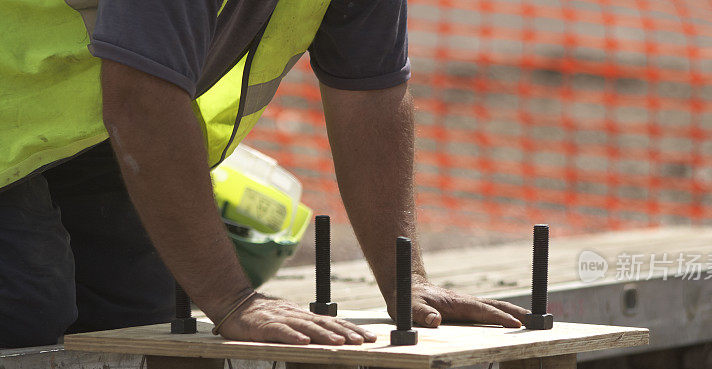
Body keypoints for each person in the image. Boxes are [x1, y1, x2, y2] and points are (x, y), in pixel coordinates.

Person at [0, 0, 530, 349]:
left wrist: (405, 278)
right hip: (28, 117)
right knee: (25, 312)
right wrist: (235, 301)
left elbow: (370, 94)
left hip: (68, 129)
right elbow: (141, 104)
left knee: (135, 319)